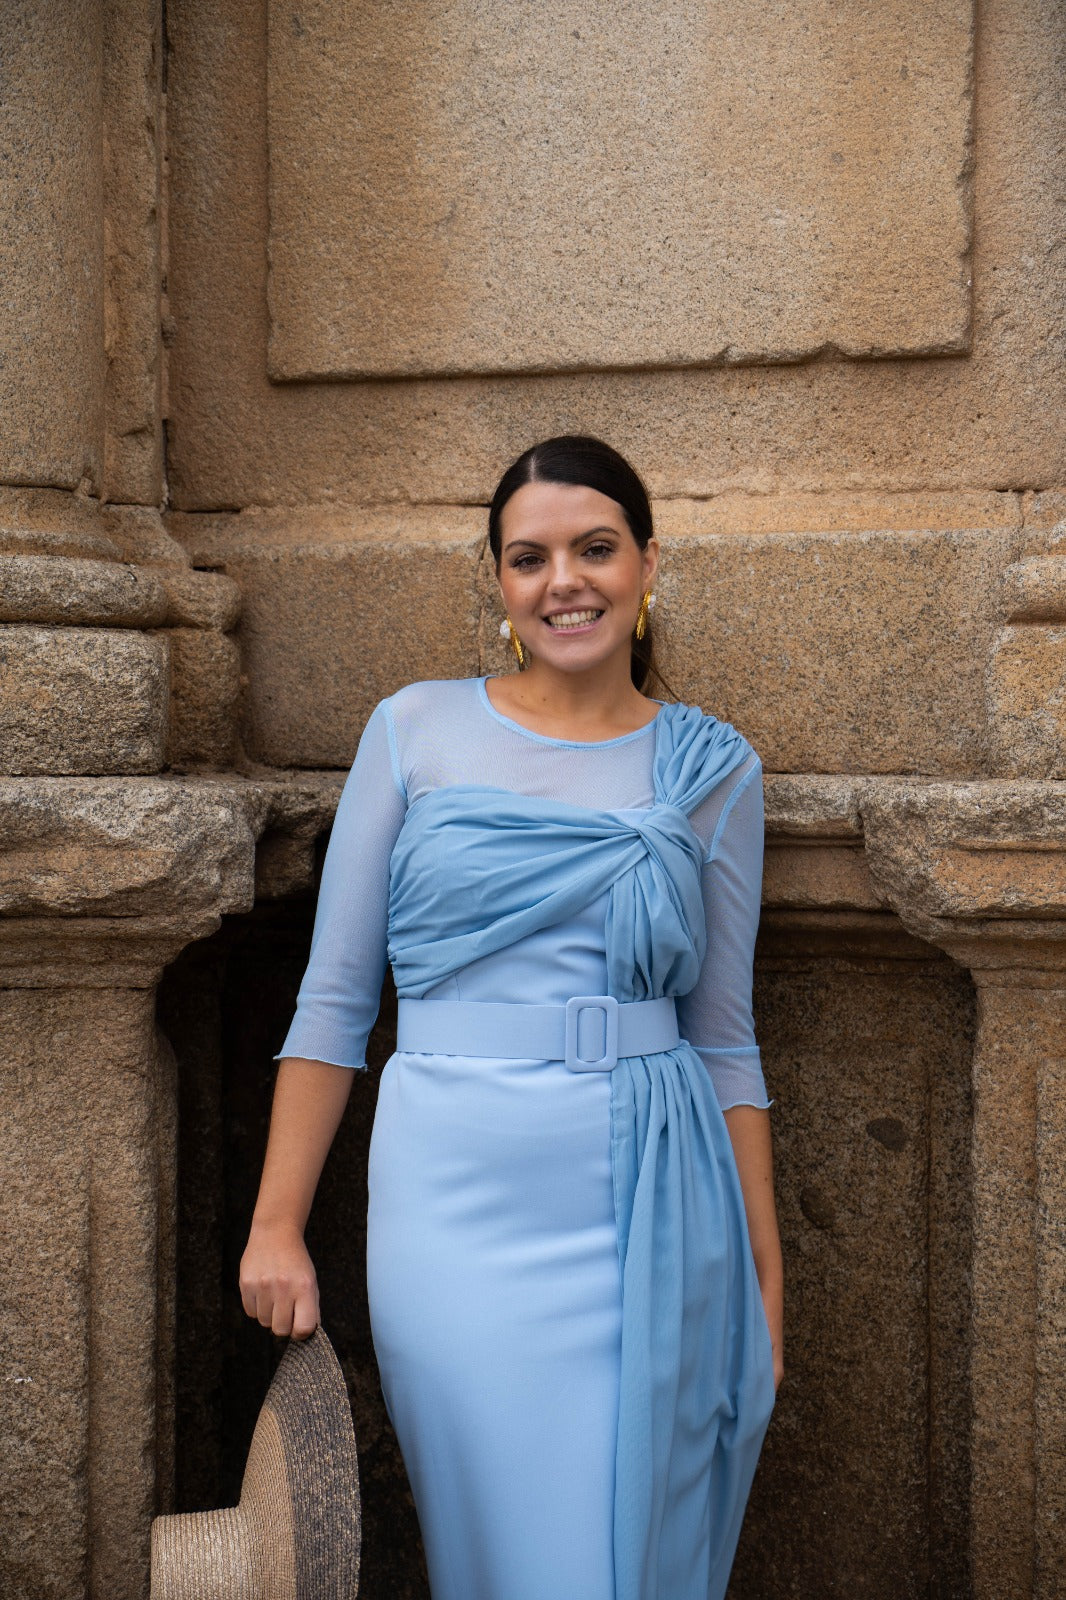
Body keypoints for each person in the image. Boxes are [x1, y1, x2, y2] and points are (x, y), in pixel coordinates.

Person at [239, 435, 783, 1600]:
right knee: (498, 1551)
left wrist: (763, 1284)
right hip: (452, 1207)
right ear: (497, 579)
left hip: (651, 1197)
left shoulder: (713, 769)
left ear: (647, 564)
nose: (563, 581)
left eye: (595, 548)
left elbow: (725, 1040)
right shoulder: (412, 730)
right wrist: (276, 1224)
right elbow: (335, 1002)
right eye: (529, 557)